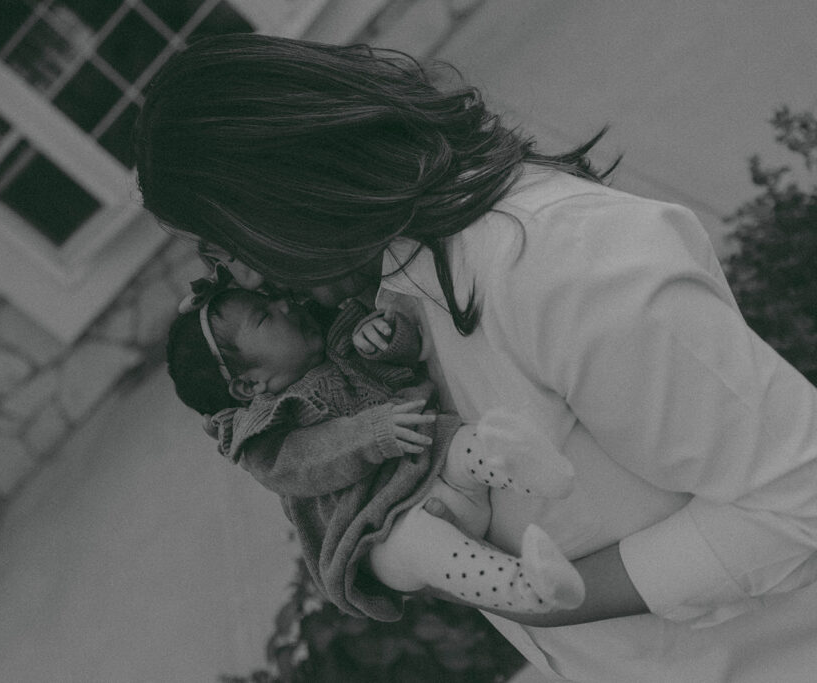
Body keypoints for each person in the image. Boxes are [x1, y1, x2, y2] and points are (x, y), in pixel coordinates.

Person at [135, 33, 817, 681]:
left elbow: (797, 500)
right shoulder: (387, 313)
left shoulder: (560, 265)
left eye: (220, 249)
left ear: (279, 203)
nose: (235, 280)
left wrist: (542, 597)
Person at [166, 274, 584, 620]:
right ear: (250, 385)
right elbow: (309, 459)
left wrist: (386, 338)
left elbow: (409, 359)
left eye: (271, 300)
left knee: (467, 441)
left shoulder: (340, 340)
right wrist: (373, 434)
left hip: (432, 465)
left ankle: (543, 472)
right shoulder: (265, 436)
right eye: (264, 317)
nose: (285, 308)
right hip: (379, 529)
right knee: (427, 548)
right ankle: (532, 587)